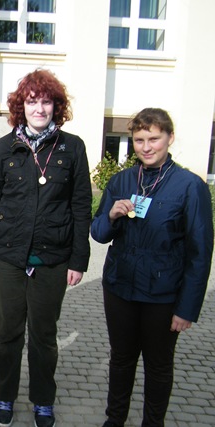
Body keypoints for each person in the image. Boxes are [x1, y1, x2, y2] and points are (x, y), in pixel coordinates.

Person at [0, 68, 92, 427]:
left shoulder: (72, 147)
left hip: (52, 258)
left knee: (43, 335)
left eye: (46, 102)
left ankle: (43, 400)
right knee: (8, 334)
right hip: (7, 256)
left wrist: (79, 259)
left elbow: (81, 206)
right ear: (20, 107)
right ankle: (5, 396)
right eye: (31, 101)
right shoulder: (2, 148)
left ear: (57, 106)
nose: (39, 109)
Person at [91, 108, 213, 427]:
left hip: (162, 295)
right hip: (120, 288)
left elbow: (200, 254)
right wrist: (111, 216)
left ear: (170, 138)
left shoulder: (190, 186)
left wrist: (187, 309)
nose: (146, 147)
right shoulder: (121, 180)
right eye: (139, 140)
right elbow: (99, 234)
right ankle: (114, 419)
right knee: (121, 359)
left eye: (154, 139)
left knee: (158, 366)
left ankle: (152, 423)